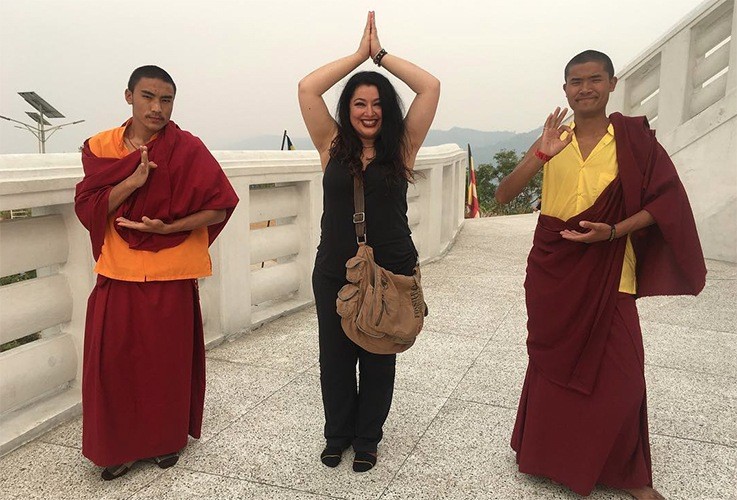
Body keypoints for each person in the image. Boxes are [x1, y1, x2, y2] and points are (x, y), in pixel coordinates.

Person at [496, 50, 706, 499]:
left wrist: (614, 231)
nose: (585, 88)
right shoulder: (556, 140)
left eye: (595, 79)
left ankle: (632, 476)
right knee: (553, 364)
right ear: (565, 89)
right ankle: (546, 456)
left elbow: (664, 204)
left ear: (613, 84)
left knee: (624, 378)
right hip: (554, 269)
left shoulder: (634, 140)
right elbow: (502, 195)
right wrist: (540, 153)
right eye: (576, 81)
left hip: (613, 267)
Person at [74, 65, 239, 480]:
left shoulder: (187, 148)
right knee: (114, 366)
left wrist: (168, 228)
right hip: (118, 271)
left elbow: (218, 207)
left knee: (166, 366)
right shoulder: (102, 147)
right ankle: (118, 448)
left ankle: (166, 441)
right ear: (128, 96)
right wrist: (134, 181)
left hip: (171, 272)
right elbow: (90, 207)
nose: (158, 108)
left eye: (166, 100)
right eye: (148, 96)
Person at [298, 12, 439, 472]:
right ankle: (337, 435)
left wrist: (381, 57)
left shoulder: (403, 147)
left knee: (380, 353)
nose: (369, 112)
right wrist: (358, 56)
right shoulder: (330, 145)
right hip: (335, 267)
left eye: (377, 103)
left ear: (388, 109)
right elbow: (307, 88)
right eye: (359, 103)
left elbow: (430, 87)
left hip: (392, 268)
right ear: (347, 109)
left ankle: (368, 438)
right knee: (335, 357)